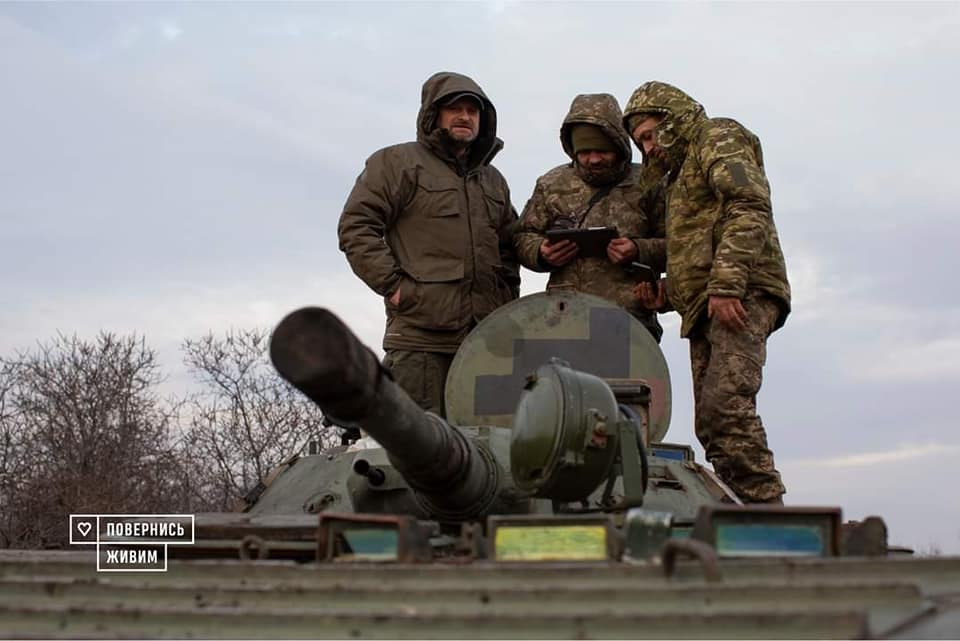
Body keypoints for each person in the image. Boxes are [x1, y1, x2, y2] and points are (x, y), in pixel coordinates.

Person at [623, 81, 791, 504]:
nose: (648, 149)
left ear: (672, 120)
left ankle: (769, 513)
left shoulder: (717, 136)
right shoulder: (678, 175)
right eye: (640, 143)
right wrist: (669, 293)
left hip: (742, 292)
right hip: (706, 305)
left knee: (727, 408)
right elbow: (697, 245)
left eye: (650, 136)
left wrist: (727, 284)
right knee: (711, 426)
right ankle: (742, 513)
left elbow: (748, 206)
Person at [338, 71, 520, 416]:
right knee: (418, 443)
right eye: (455, 109)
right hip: (421, 341)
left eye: (473, 111)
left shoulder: (493, 181)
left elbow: (510, 246)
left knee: (490, 443)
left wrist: (507, 301)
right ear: (433, 115)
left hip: (486, 342)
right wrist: (395, 287)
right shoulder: (397, 163)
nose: (465, 117)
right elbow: (356, 226)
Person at [513, 93, 666, 342]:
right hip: (563, 321)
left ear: (619, 146)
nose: (593, 159)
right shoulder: (551, 184)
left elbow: (680, 246)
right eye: (584, 152)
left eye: (602, 151)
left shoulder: (649, 183)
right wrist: (541, 252)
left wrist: (638, 249)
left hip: (629, 321)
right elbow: (521, 236)